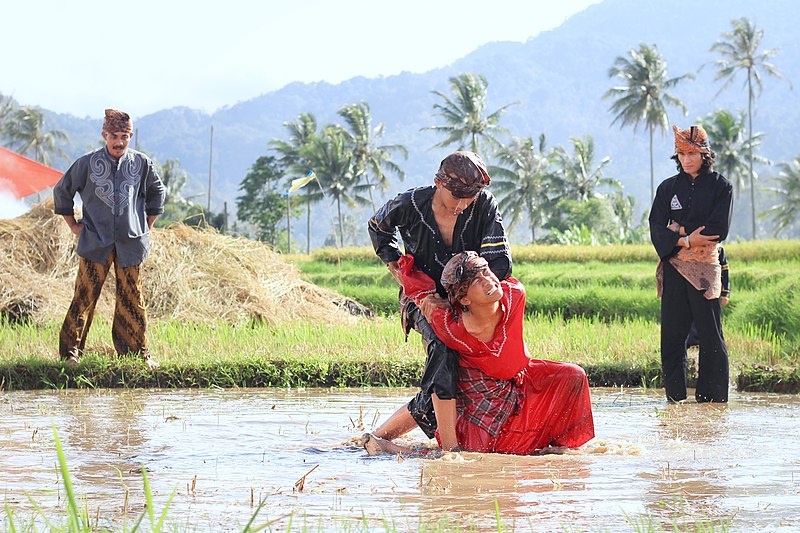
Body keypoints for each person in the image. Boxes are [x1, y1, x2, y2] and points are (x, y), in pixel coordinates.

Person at [363, 251, 594, 455]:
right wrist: (399, 269)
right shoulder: (450, 327)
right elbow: (419, 293)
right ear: (464, 299)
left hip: (519, 379)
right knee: (467, 454)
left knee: (573, 376)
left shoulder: (514, 294)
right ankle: (389, 447)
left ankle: (557, 448)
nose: (489, 281)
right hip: (479, 390)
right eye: (477, 280)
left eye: (486, 272)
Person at [367, 151, 511, 451]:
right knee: (443, 351)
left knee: (468, 374)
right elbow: (377, 227)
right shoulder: (409, 205)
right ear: (437, 184)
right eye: (453, 197)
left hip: (469, 299)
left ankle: (378, 439)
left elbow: (499, 263)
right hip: (423, 299)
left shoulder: (482, 205)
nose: (460, 206)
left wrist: (461, 297)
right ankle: (451, 449)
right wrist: (395, 265)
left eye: (467, 199)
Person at [52, 109, 165, 371]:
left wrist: (147, 223)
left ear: (131, 136)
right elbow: (62, 190)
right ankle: (71, 354)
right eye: (114, 135)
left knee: (132, 298)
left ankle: (137, 355)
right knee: (84, 296)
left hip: (130, 243)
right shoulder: (88, 163)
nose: (119, 142)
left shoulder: (142, 163)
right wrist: (73, 224)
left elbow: (157, 190)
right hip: (95, 242)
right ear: (104, 135)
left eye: (124, 136)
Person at [649, 125, 733, 403]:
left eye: (693, 153)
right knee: (672, 336)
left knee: (711, 336)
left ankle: (712, 401)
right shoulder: (667, 188)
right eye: (682, 153)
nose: (687, 159)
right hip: (674, 269)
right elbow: (656, 229)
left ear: (705, 154)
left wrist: (678, 230)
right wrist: (686, 238)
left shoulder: (722, 187)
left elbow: (718, 229)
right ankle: (675, 398)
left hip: (706, 272)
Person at [686, 245, 730, 348]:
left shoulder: (718, 249)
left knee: (712, 319)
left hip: (713, 290)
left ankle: (713, 345)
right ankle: (692, 343)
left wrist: (725, 294)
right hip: (695, 288)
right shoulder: (692, 246)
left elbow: (725, 273)